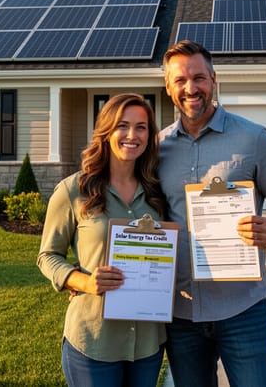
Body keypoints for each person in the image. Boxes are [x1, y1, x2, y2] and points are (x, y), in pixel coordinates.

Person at [158, 40, 266, 386]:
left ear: (213, 79)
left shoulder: (254, 139)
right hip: (181, 315)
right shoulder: (156, 148)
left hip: (244, 310)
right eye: (180, 80)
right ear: (168, 88)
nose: (190, 88)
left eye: (199, 78)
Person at [37, 93, 168, 387]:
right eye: (122, 125)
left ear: (150, 134)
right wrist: (84, 282)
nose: (132, 135)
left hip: (147, 342)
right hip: (94, 339)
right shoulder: (73, 189)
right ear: (106, 131)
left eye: (141, 127)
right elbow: (47, 256)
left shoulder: (157, 193)